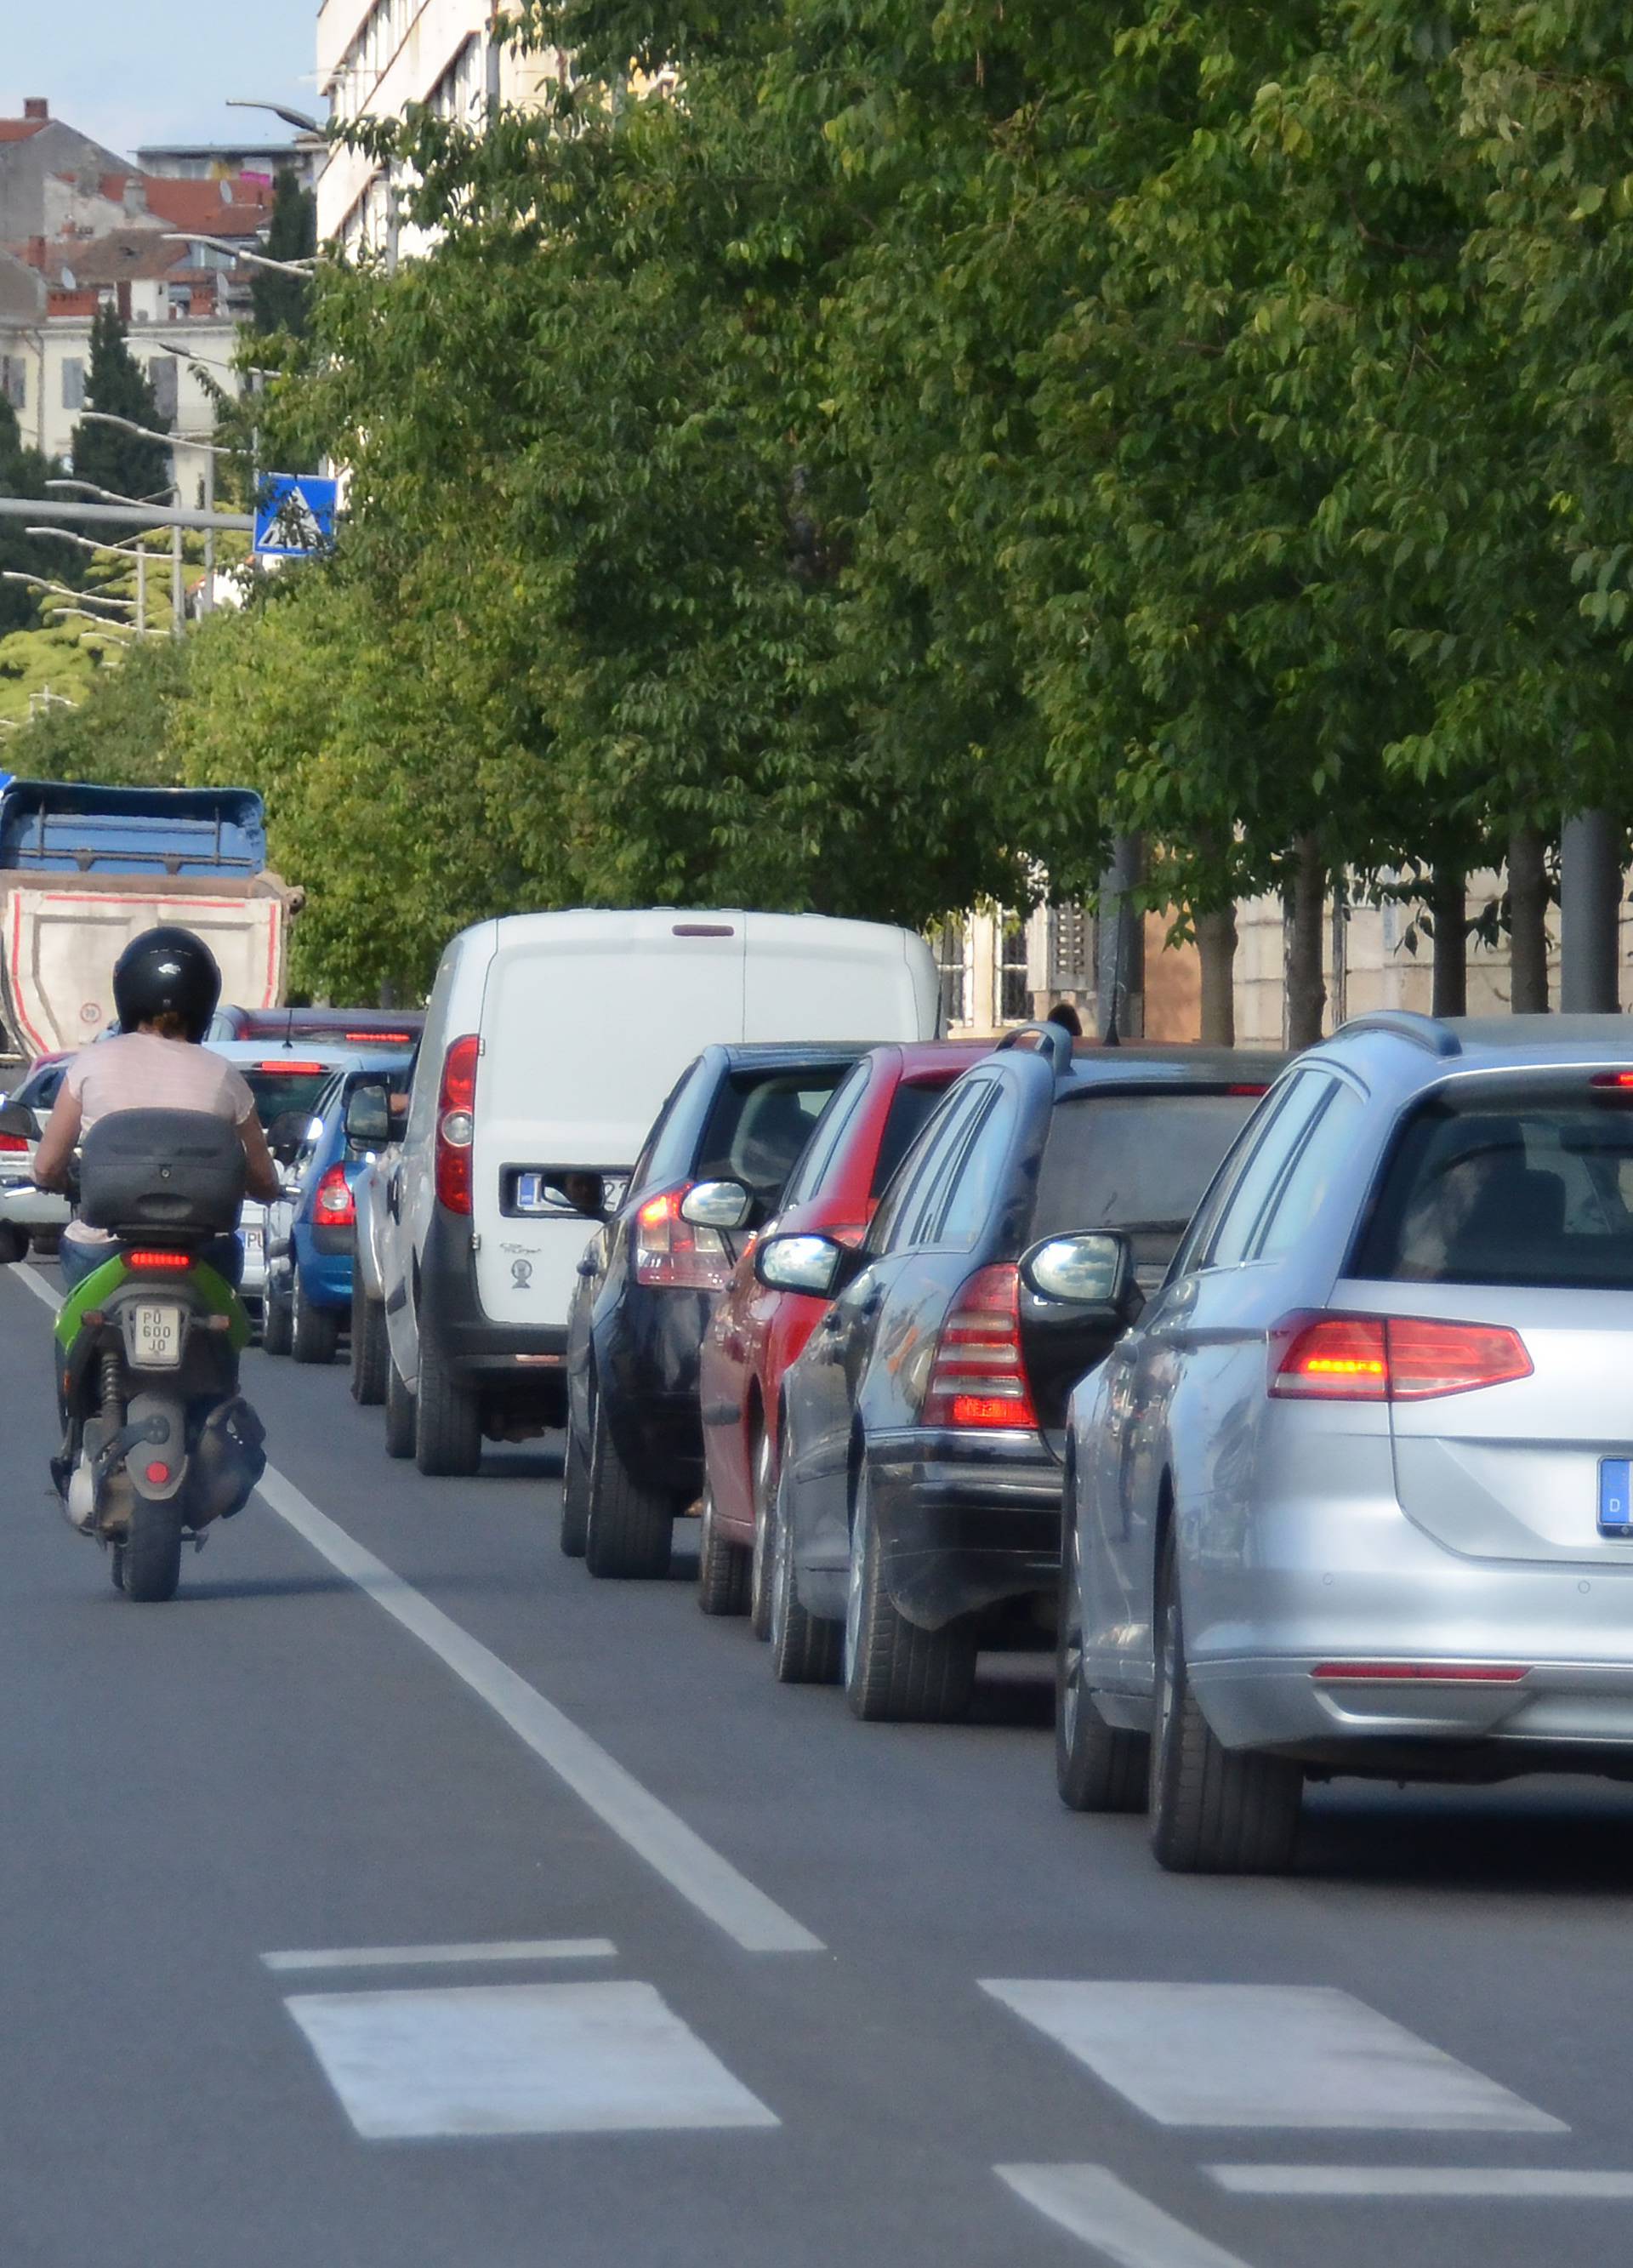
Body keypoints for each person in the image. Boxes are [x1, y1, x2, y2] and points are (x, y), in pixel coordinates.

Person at [32, 926, 282, 1292]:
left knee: (77, 1316)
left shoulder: (91, 1063)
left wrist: (57, 1180)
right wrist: (260, 1187)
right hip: (204, 1250)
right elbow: (263, 1179)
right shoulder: (224, 1075)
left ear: (127, 991)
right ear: (205, 998)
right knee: (224, 1328)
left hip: (102, 1249)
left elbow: (47, 1165)